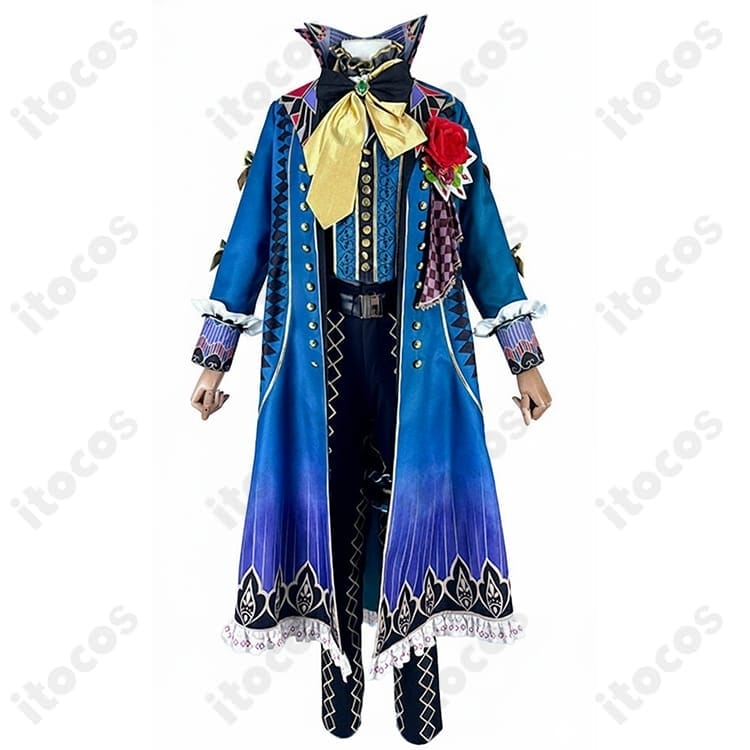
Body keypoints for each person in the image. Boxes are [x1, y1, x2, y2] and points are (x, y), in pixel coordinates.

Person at [189, 15, 552, 745]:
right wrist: (214, 355)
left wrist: (525, 360)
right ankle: (341, 703)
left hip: (418, 343)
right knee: (332, 500)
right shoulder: (289, 118)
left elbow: (481, 236)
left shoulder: (443, 114)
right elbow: (251, 233)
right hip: (316, 344)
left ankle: (420, 710)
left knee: (415, 508)